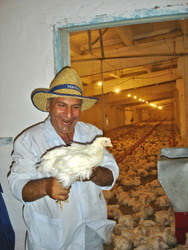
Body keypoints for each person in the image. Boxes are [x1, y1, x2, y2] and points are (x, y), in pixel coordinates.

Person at [8, 66, 119, 250]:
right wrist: (46, 186)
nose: (69, 115)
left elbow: (111, 175)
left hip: (91, 232)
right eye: (62, 105)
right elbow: (17, 186)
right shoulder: (29, 141)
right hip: (53, 239)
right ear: (48, 105)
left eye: (75, 107)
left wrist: (93, 173)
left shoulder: (92, 134)